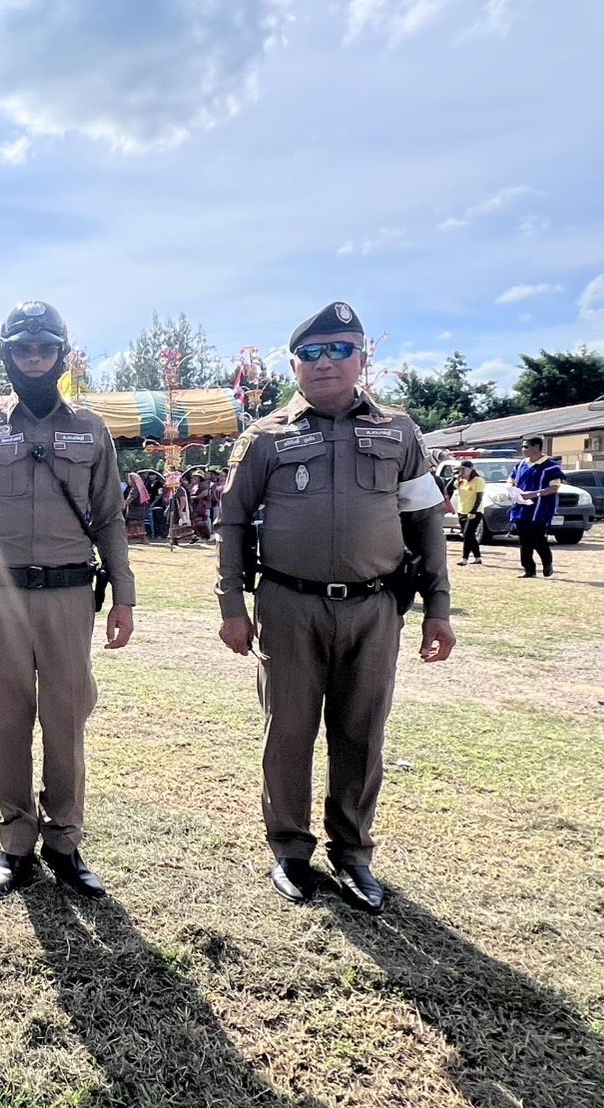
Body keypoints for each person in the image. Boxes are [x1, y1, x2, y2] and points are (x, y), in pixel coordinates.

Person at [214, 301, 455, 915]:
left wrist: (438, 606)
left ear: (361, 357)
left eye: (340, 349)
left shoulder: (399, 432)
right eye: (312, 353)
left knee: (361, 731)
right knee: (288, 731)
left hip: (375, 609)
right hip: (288, 605)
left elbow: (424, 521)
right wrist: (232, 604)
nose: (325, 363)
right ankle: (291, 849)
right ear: (294, 364)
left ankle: (352, 853)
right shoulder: (265, 437)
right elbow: (233, 522)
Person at [0, 299, 136, 900]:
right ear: (7, 357)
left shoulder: (92, 429)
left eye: (44, 348)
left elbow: (109, 517)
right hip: (0, 599)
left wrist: (124, 594)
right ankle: (15, 841)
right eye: (23, 349)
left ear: (61, 355)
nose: (34, 358)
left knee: (66, 718)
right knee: (6, 719)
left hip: (70, 596)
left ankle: (65, 841)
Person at [509, 436, 564, 579]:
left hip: (540, 508)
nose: (523, 450)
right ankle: (529, 569)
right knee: (524, 540)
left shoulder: (550, 466)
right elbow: (511, 481)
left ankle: (547, 563)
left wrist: (534, 494)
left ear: (536, 448)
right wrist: (512, 491)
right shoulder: (521, 465)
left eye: (526, 447)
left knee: (538, 538)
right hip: (521, 507)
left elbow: (554, 487)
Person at [453, 459, 487, 566]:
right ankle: (478, 557)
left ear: (471, 469)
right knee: (469, 535)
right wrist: (456, 478)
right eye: (460, 470)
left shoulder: (478, 480)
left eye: (463, 469)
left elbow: (479, 498)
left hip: (474, 512)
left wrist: (473, 511)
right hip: (462, 510)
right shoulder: (461, 481)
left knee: (467, 535)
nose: (462, 471)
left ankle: (464, 558)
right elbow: (449, 488)